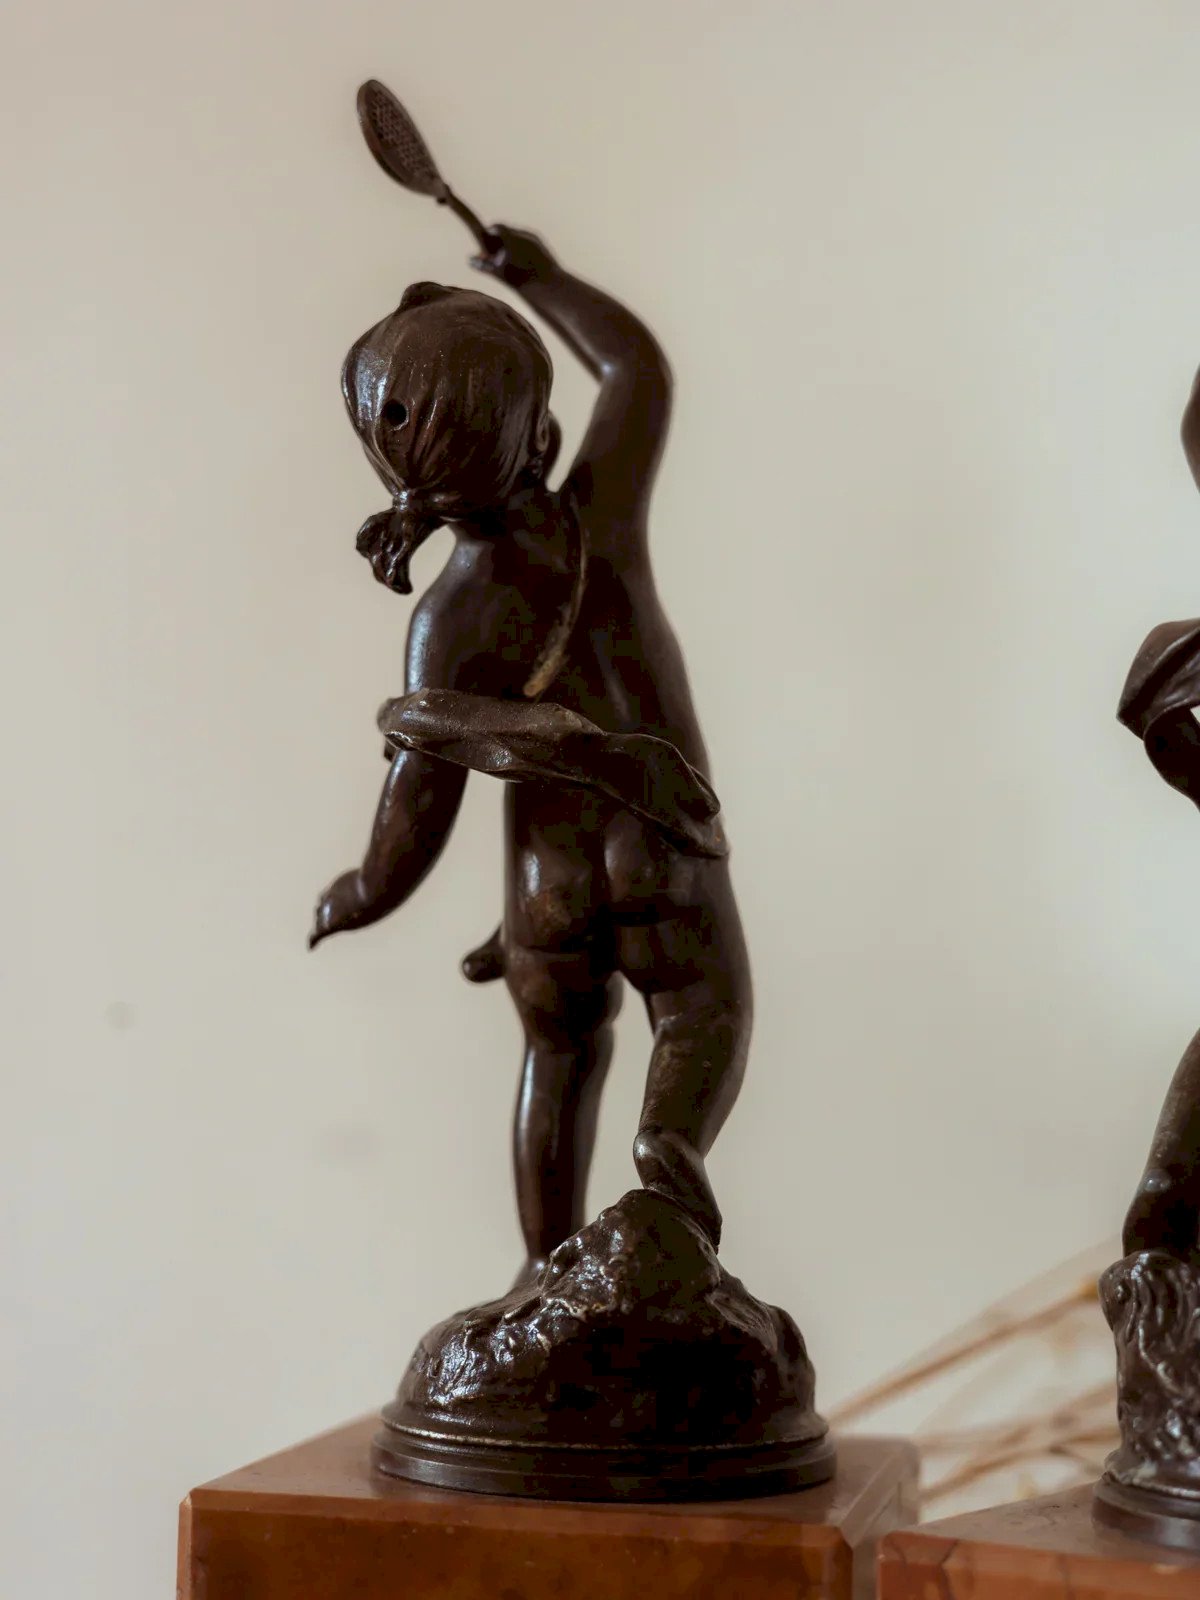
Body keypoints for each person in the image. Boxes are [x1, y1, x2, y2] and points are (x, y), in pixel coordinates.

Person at [310, 228, 751, 1283]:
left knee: (558, 1058)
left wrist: (365, 889)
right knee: (703, 1010)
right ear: (539, 431)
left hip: (545, 890)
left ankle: (540, 1266)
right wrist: (537, 276)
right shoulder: (606, 514)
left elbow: (420, 799)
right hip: (662, 836)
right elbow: (636, 369)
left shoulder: (448, 619)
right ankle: (670, 1148)